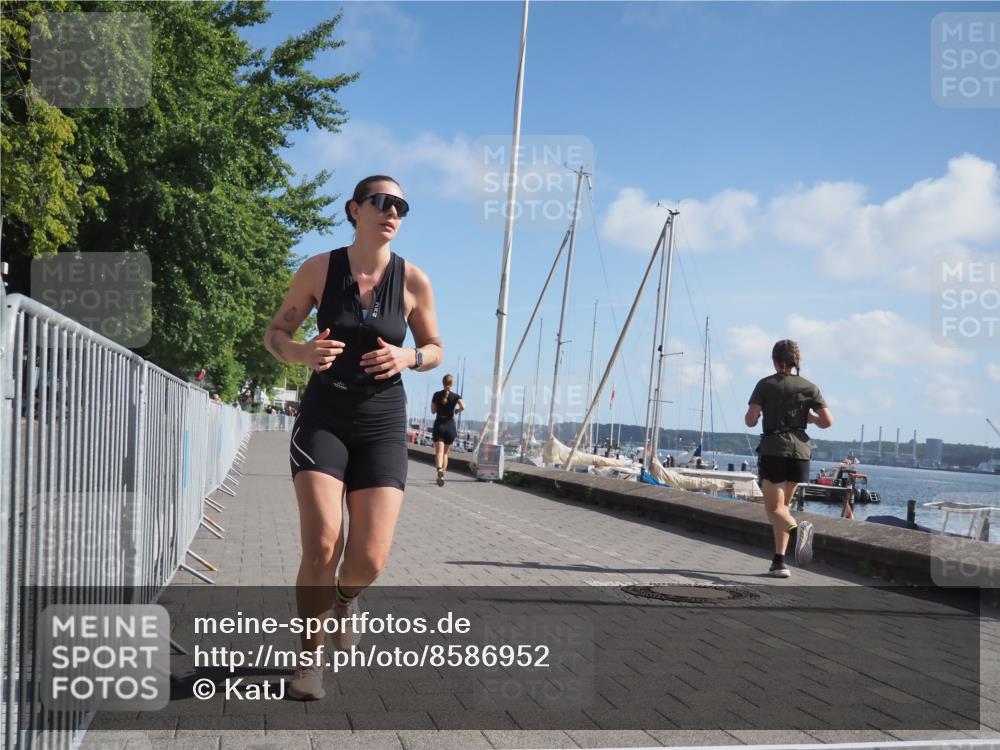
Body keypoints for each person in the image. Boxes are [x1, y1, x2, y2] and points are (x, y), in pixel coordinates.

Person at [263, 175, 442, 700]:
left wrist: (408, 355)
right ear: (355, 209)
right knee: (322, 540)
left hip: (383, 421)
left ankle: (345, 597)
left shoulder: (414, 282)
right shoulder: (320, 268)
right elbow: (277, 333)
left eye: (402, 206)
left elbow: (435, 347)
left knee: (369, 559)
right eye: (383, 202)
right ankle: (309, 658)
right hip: (325, 414)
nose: (393, 212)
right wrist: (301, 353)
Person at [745, 339, 833, 578]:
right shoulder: (810, 387)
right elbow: (827, 422)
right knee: (784, 509)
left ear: (775, 360)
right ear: (797, 361)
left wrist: (760, 410)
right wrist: (811, 418)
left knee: (774, 510)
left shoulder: (765, 385)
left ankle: (797, 533)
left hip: (775, 450)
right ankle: (779, 562)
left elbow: (751, 421)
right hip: (801, 453)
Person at [430, 374, 465, 486]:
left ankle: (439, 470)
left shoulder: (436, 395)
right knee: (445, 454)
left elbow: (433, 411)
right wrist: (457, 411)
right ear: (452, 383)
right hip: (450, 427)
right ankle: (442, 474)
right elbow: (463, 406)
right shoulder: (456, 396)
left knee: (439, 453)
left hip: (439, 425)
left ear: (443, 382)